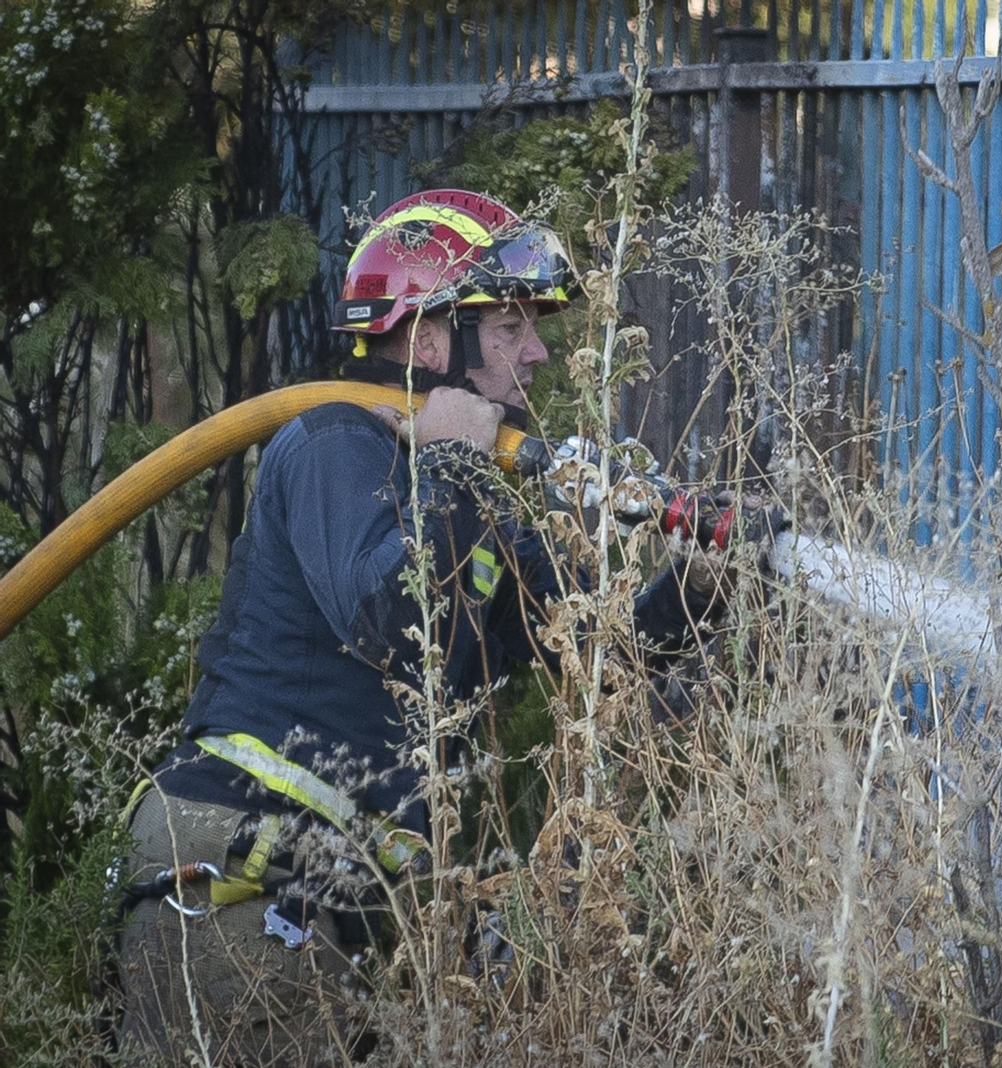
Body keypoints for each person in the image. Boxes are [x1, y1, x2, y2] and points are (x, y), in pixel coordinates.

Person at [114, 190, 766, 1064]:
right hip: (230, 879)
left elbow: (598, 652)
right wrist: (455, 457)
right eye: (509, 327)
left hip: (322, 898)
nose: (537, 352)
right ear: (428, 339)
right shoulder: (335, 444)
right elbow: (391, 623)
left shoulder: (459, 498)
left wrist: (705, 583)